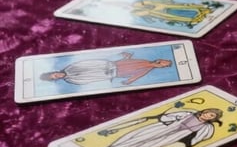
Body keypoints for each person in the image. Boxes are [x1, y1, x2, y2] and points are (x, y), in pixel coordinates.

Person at [97, 107, 223, 147]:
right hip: (164, 127)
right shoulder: (189, 113)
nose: (208, 115)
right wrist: (166, 119)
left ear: (213, 118)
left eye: (212, 115)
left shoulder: (207, 127)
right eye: (208, 112)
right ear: (205, 111)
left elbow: (201, 137)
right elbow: (169, 116)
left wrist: (189, 143)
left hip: (176, 135)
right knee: (137, 136)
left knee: (148, 145)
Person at [40, 52, 172, 87]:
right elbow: (90, 80)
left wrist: (123, 59)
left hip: (111, 65)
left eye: (55, 74)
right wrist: (129, 81)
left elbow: (91, 63)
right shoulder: (72, 80)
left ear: (54, 71)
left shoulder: (70, 67)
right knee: (141, 67)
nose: (57, 75)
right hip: (115, 72)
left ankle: (161, 63)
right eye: (55, 78)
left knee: (142, 65)